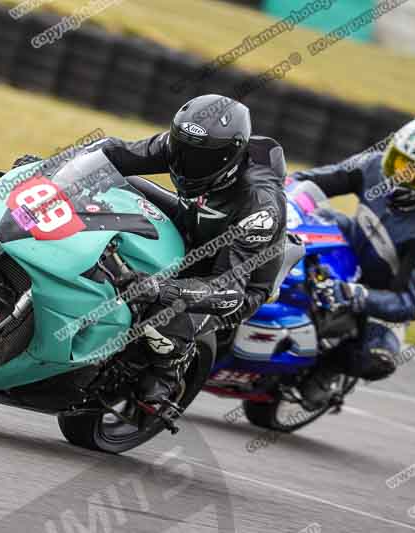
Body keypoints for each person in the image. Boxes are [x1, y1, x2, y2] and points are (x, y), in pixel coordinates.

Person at [70, 94, 288, 407]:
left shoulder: (260, 204)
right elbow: (113, 153)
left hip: (230, 279)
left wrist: (163, 288)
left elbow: (230, 292)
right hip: (191, 226)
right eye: (181, 149)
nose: (186, 162)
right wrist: (51, 170)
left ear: (231, 156)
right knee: (118, 183)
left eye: (201, 158)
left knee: (160, 312)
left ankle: (170, 368)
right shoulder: (180, 148)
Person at [289, 118, 415, 406]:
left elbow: (406, 302)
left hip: (378, 292)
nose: (401, 175)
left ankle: (326, 369)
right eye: (399, 162)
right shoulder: (373, 165)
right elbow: (310, 181)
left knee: (379, 359)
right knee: (316, 218)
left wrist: (358, 295)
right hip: (350, 244)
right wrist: (283, 200)